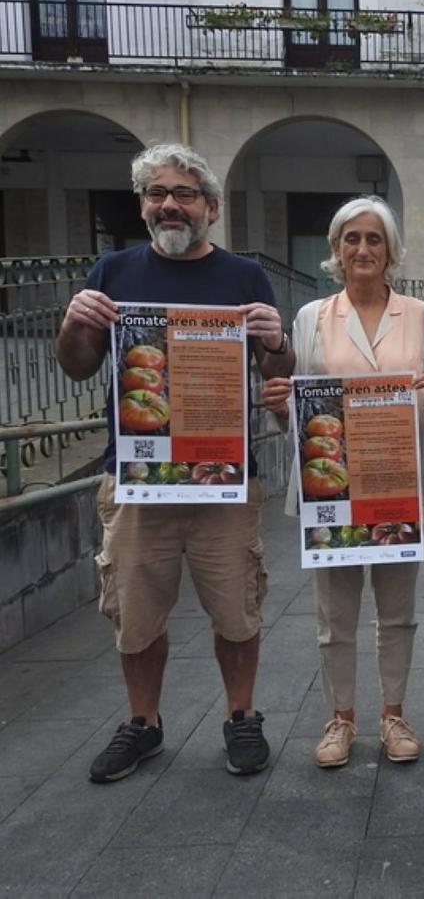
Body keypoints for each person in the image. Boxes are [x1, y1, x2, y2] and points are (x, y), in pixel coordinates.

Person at [55, 143, 294, 782]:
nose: (169, 204)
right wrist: (74, 321)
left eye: (184, 194)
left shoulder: (244, 275)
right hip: (136, 478)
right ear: (142, 207)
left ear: (211, 208)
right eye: (157, 193)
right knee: (134, 613)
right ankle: (143, 723)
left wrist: (276, 340)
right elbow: (77, 365)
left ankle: (241, 716)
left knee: (237, 610)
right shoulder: (111, 272)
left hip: (221, 478)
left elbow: (275, 373)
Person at [261, 196, 424, 768]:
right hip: (334, 488)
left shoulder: (420, 316)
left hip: (397, 481)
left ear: (391, 250)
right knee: (334, 615)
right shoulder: (312, 317)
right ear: (336, 250)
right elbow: (300, 411)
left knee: (398, 610)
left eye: (374, 239)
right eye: (352, 239)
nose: (363, 249)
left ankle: (393, 714)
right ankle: (340, 718)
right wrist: (280, 407)